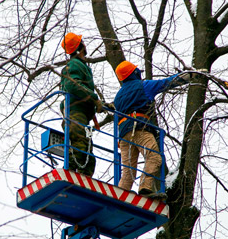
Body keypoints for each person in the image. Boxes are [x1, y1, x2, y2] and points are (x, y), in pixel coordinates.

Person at [113, 60, 203, 198]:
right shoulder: (143, 86)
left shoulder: (118, 96)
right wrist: (189, 76)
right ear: (134, 73)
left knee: (128, 171)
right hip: (139, 128)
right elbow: (166, 83)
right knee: (154, 158)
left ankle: (119, 197)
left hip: (123, 134)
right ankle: (144, 188)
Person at [60, 32, 104, 177]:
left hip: (85, 118)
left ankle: (85, 179)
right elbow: (73, 85)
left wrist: (100, 104)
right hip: (76, 115)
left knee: (88, 154)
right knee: (80, 148)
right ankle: (71, 176)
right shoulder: (73, 65)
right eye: (82, 42)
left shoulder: (81, 66)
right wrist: (93, 98)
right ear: (80, 46)